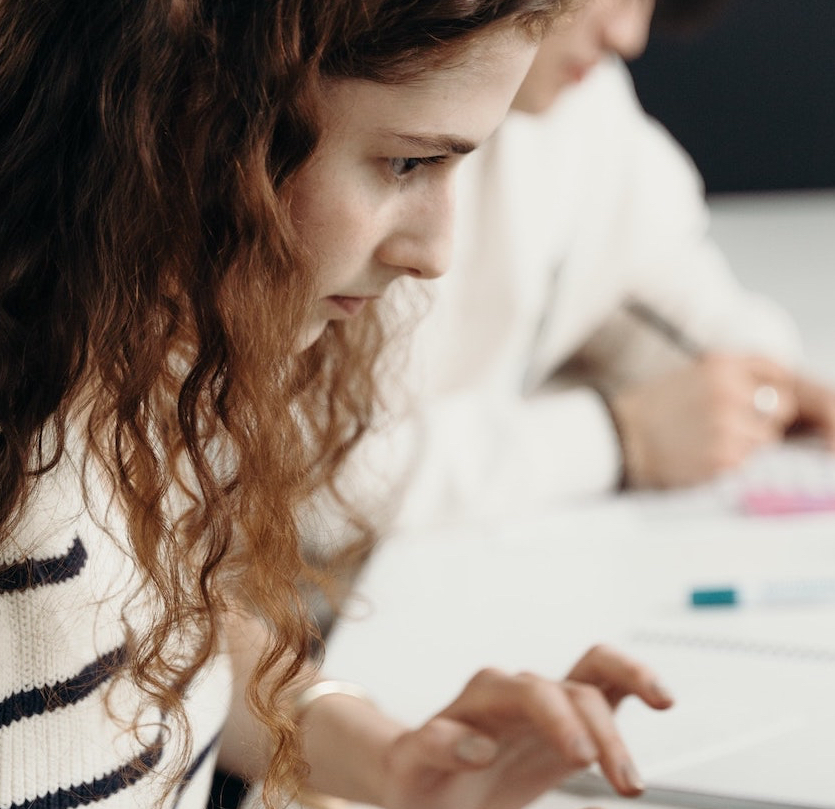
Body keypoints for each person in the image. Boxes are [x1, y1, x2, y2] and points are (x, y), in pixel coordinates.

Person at [0, 2, 673, 808]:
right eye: (406, 164)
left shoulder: (121, 374)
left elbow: (151, 621)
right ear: (201, 111)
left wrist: (390, 759)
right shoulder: (29, 490)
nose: (435, 253)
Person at [341, 0, 835, 533]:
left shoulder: (582, 104)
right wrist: (619, 438)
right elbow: (315, 484)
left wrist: (761, 382)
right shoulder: (356, 99)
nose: (630, 35)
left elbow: (663, 281)